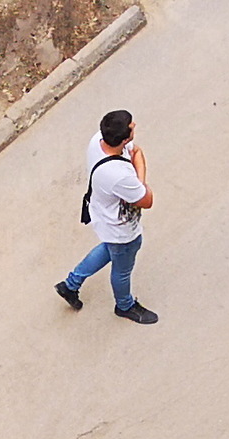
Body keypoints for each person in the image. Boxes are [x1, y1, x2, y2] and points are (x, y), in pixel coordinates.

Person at [56, 108, 158, 324]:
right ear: (123, 138)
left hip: (104, 217)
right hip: (121, 229)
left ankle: (70, 285)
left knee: (109, 249)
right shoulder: (119, 177)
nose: (135, 126)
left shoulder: (99, 141)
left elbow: (136, 152)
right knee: (122, 269)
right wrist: (140, 184)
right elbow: (147, 200)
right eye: (132, 126)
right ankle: (124, 305)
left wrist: (137, 184)